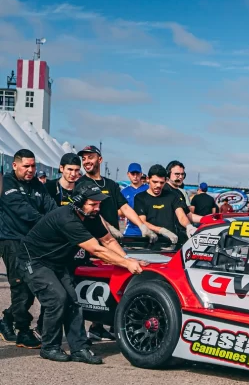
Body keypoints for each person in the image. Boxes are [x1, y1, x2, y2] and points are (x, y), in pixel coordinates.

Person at [18, 185, 146, 364]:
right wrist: (126, 264)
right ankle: (49, 347)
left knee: (73, 301)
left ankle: (79, 349)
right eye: (93, 204)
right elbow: (97, 249)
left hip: (57, 262)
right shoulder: (67, 219)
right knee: (57, 299)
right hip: (33, 261)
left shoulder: (91, 216)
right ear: (78, 203)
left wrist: (128, 259)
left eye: (99, 204)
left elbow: (107, 240)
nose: (97, 208)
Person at [76, 145, 156, 341]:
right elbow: (89, 212)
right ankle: (85, 328)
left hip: (110, 241)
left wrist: (142, 226)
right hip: (91, 241)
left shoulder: (110, 184)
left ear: (100, 160)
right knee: (89, 283)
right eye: (84, 158)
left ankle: (101, 325)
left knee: (114, 278)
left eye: (90, 157)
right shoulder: (82, 184)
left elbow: (124, 207)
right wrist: (108, 229)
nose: (86, 161)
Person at [0, 149, 56, 347]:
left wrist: (61, 220)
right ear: (15, 165)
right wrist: (51, 225)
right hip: (12, 240)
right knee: (20, 285)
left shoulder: (38, 186)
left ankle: (7, 320)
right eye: (26, 166)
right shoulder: (6, 184)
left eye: (33, 166)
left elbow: (50, 207)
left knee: (31, 285)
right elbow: (25, 213)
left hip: (33, 242)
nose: (30, 170)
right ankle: (23, 331)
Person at [134, 165, 196, 244]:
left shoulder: (172, 196)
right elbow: (142, 221)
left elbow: (181, 216)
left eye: (161, 182)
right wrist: (161, 230)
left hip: (172, 241)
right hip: (150, 241)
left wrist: (189, 226)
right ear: (148, 179)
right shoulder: (140, 198)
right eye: (155, 182)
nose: (158, 185)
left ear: (166, 180)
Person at [121, 162, 149, 237]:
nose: (135, 176)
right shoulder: (124, 192)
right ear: (128, 174)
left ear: (141, 174)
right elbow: (118, 211)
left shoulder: (148, 189)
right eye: (133, 174)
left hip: (148, 228)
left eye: (137, 174)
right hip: (131, 230)